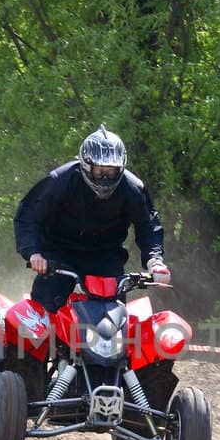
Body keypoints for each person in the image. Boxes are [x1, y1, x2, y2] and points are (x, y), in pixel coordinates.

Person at [14, 124, 170, 312]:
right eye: (100, 171)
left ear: (120, 168)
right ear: (87, 166)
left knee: (114, 315)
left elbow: (148, 227)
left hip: (106, 257)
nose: (105, 177)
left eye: (110, 171)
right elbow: (28, 215)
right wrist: (33, 253)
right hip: (59, 255)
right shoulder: (60, 180)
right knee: (44, 310)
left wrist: (155, 261)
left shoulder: (133, 189)